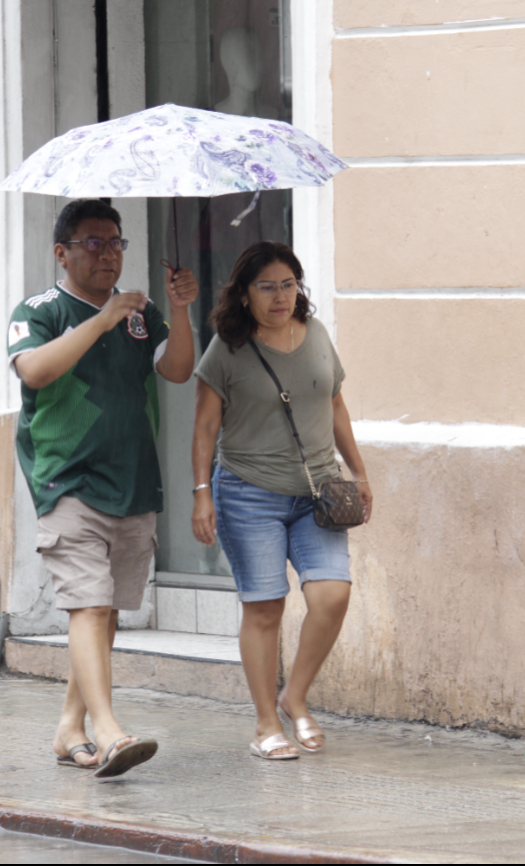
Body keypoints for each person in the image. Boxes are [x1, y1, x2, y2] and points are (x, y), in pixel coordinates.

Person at [9, 199, 198, 778]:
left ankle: (70, 729)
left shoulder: (140, 315)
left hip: (133, 479)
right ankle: (110, 731)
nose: (108, 253)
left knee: (105, 611)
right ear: (62, 252)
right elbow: (35, 371)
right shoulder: (40, 309)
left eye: (115, 242)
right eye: (94, 243)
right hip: (67, 479)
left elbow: (178, 369)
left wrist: (181, 310)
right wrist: (100, 320)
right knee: (89, 605)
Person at [191, 241, 372, 760]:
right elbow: (204, 425)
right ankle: (265, 724)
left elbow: (334, 403)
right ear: (244, 295)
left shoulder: (314, 334)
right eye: (266, 287)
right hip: (248, 492)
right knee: (265, 606)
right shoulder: (227, 348)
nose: (279, 296)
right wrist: (202, 492)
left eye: (288, 284)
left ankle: (295, 695)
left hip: (317, 493)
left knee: (332, 595)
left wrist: (358, 470)